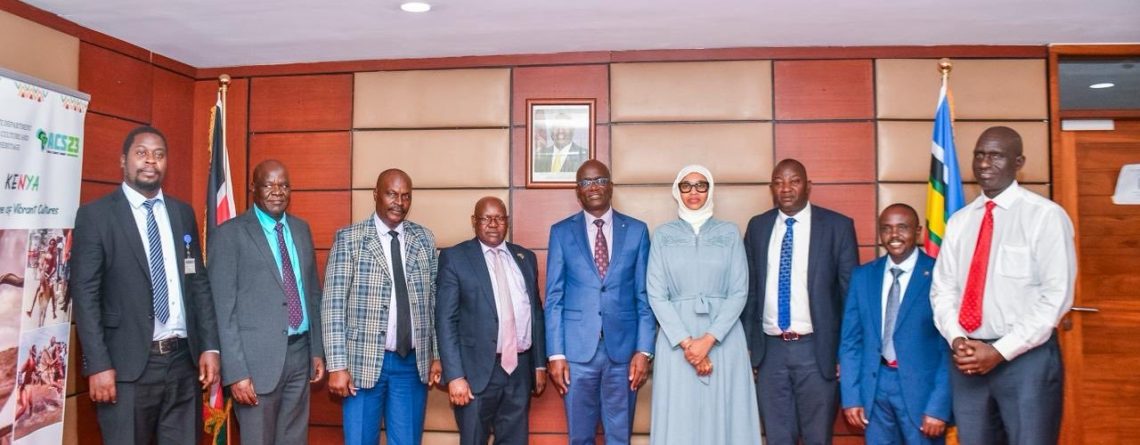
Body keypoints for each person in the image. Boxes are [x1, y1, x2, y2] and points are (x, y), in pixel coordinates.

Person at [70, 126, 220, 444]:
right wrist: (98, 364)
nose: (151, 160)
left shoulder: (182, 213)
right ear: (123, 160)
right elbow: (85, 295)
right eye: (141, 153)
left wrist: (209, 346)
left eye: (159, 154)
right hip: (126, 369)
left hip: (183, 364)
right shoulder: (96, 216)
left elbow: (198, 283)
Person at [930, 126, 1076, 445]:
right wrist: (958, 340)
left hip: (1026, 360)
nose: (984, 164)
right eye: (979, 155)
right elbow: (943, 290)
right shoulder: (960, 222)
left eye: (996, 156)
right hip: (968, 361)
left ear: (1018, 162)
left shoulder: (1046, 217)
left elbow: (1056, 297)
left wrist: (999, 351)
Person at [208, 160, 325, 445]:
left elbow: (312, 293)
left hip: (299, 356)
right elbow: (223, 310)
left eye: (283, 185)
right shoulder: (230, 234)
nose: (277, 191)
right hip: (254, 366)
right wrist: (236, 373)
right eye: (269, 185)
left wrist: (317, 350)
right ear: (253, 188)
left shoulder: (301, 229)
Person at [741, 158, 858, 445]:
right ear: (771, 188)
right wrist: (751, 348)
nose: (786, 188)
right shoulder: (758, 227)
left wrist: (845, 354)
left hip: (817, 351)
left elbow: (850, 298)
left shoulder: (837, 227)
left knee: (818, 438)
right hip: (770, 353)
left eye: (794, 181)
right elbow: (750, 292)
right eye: (779, 182)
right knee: (778, 438)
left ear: (808, 186)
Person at [322, 168, 442, 445]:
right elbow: (332, 305)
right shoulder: (349, 239)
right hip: (360, 364)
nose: (399, 202)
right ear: (375, 194)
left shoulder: (424, 239)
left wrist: (436, 354)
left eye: (406, 196)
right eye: (391, 194)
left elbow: (433, 301)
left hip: (411, 364)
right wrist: (337, 366)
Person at [647, 165, 761, 445]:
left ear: (710, 190)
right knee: (680, 419)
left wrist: (708, 340)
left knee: (726, 416)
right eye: (686, 186)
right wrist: (689, 345)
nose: (694, 192)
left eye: (701, 185)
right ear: (677, 191)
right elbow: (656, 294)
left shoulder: (730, 233)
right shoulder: (662, 235)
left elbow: (739, 291)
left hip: (723, 337)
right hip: (676, 342)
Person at [544, 160, 655, 445]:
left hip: (624, 355)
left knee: (619, 437)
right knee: (580, 437)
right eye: (586, 182)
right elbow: (554, 298)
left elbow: (644, 296)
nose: (593, 187)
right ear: (578, 191)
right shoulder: (561, 232)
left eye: (600, 180)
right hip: (576, 355)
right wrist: (555, 354)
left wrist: (644, 350)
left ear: (611, 186)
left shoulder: (637, 231)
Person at [436, 197, 547, 444]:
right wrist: (455, 376)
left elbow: (536, 314)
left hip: (519, 370)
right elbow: (445, 320)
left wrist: (539, 365)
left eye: (499, 218)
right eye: (486, 218)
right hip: (475, 373)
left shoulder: (525, 258)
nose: (494, 224)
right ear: (474, 221)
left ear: (507, 221)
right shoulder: (456, 257)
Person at [839, 204, 951, 444]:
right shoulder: (863, 276)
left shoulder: (939, 274)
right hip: (875, 388)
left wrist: (939, 407)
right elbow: (851, 342)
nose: (894, 235)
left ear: (918, 232)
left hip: (922, 394)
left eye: (903, 228)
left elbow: (949, 348)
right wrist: (851, 397)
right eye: (886, 228)